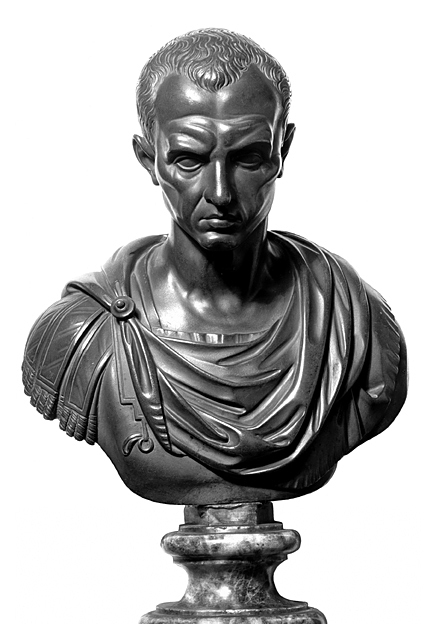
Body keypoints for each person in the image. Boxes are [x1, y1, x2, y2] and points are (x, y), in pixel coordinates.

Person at [22, 29, 407, 505]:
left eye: (248, 158)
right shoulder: (83, 335)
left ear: (283, 150)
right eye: (189, 159)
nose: (220, 192)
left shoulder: (356, 325)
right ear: (148, 159)